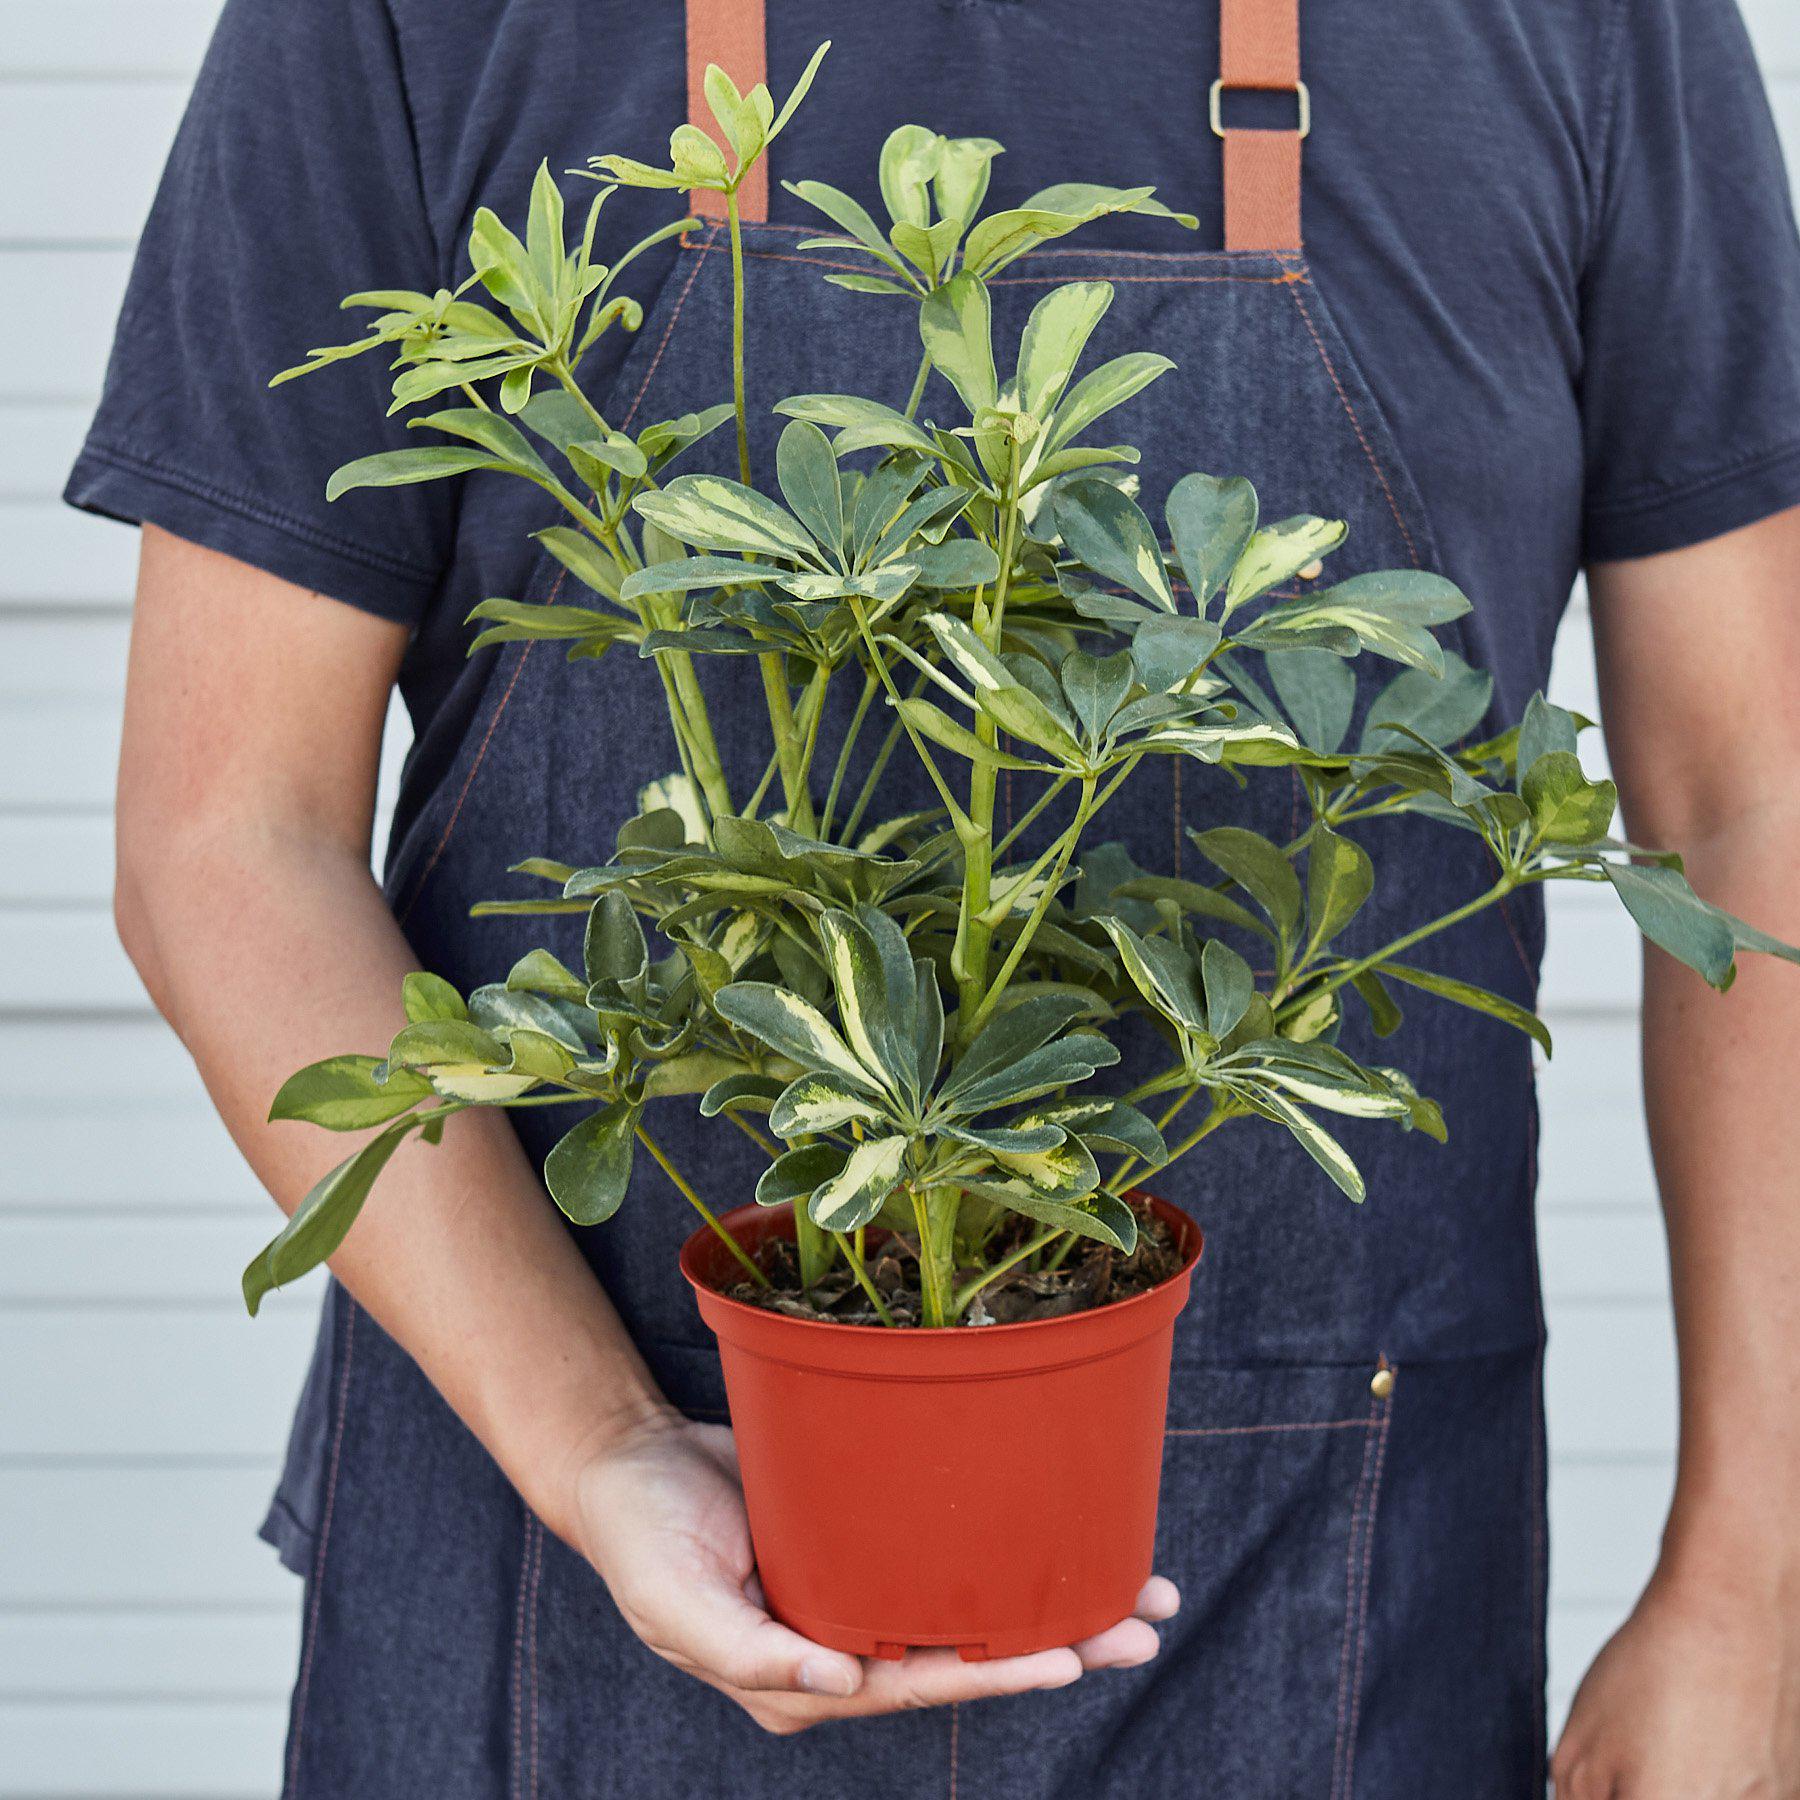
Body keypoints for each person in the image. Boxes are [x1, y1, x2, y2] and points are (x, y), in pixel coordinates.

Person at [69, 0, 1800, 1792]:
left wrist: (1755, 1585)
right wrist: (593, 1441)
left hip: (1331, 1580)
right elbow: (222, 835)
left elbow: (1758, 800)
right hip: (560, 1558)